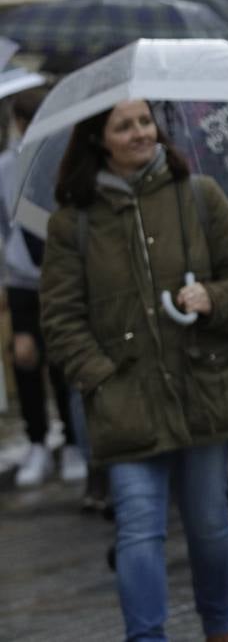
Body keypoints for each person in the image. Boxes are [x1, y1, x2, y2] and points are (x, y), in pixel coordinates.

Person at [40, 99, 228, 642]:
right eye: (125, 125)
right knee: (139, 529)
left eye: (145, 122)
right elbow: (60, 318)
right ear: (100, 139)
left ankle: (220, 629)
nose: (141, 133)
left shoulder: (200, 197)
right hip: (125, 402)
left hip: (203, 388)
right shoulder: (74, 222)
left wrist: (212, 297)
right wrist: (101, 378)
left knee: (210, 525)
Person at [1, 85, 86, 488]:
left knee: (63, 358)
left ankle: (71, 441)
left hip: (64, 274)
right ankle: (37, 440)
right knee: (25, 356)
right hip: (22, 278)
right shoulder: (5, 167)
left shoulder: (64, 160)